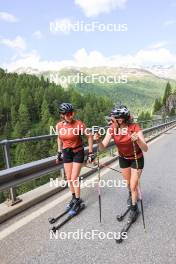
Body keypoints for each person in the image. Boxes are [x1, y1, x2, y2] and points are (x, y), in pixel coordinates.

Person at [94, 105, 148, 222]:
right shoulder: (112, 129)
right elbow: (102, 147)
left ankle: (134, 209)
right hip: (123, 159)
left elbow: (145, 148)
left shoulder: (134, 127)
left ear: (120, 119)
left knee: (133, 185)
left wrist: (137, 140)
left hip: (136, 158)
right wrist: (98, 140)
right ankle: (132, 194)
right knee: (128, 184)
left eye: (113, 118)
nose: (110, 120)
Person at [56, 103, 95, 216]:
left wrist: (91, 153)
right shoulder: (59, 126)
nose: (71, 116)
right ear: (62, 115)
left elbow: (89, 136)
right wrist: (59, 151)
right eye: (68, 114)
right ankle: (73, 198)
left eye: (72, 113)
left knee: (74, 178)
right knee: (69, 178)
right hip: (66, 153)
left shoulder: (79, 124)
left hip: (78, 152)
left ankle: (78, 200)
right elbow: (59, 138)